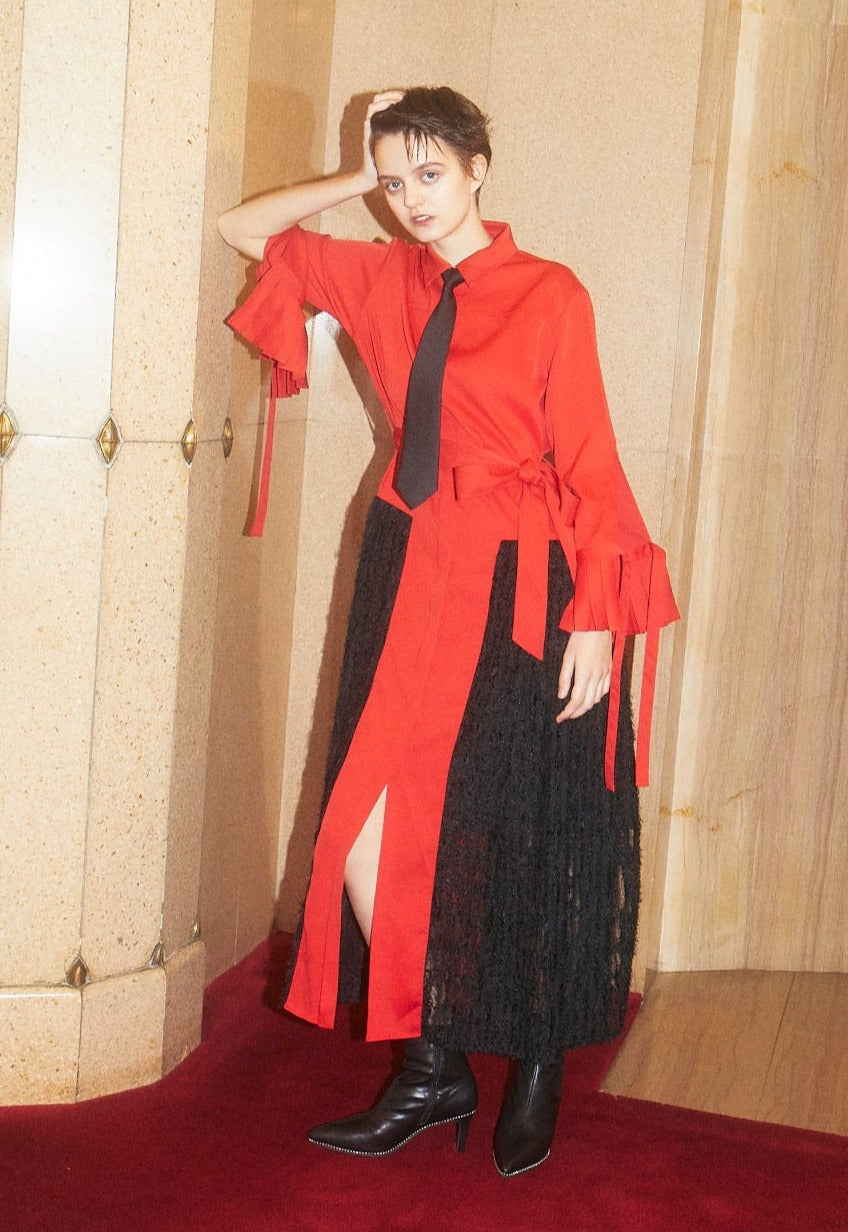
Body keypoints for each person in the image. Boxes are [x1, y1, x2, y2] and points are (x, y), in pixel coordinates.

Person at [217, 86, 678, 1176]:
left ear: (479, 168)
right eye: (397, 181)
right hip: (410, 557)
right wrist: (359, 167)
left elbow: (592, 460)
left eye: (431, 173)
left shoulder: (550, 293)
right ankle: (436, 1066)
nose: (412, 199)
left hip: (524, 572)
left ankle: (535, 1060)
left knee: (520, 821)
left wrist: (596, 618)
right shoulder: (381, 275)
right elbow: (245, 228)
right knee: (362, 826)